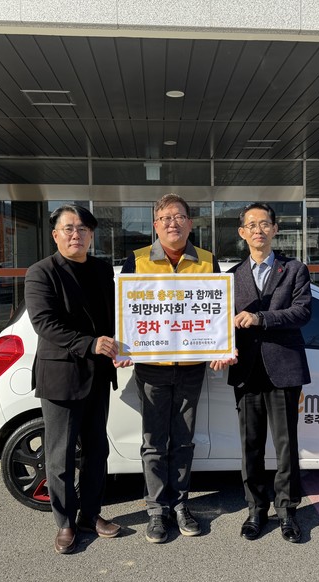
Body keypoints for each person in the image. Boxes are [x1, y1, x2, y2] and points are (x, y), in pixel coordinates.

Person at [24, 204, 123, 555]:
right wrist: (90, 344)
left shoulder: (101, 270)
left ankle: (90, 515)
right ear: (56, 235)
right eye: (69, 228)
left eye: (82, 228)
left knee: (97, 451)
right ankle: (65, 523)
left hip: (98, 375)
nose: (76, 234)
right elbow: (44, 322)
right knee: (61, 455)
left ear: (91, 235)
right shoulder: (41, 272)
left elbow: (115, 316)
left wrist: (124, 345)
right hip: (61, 376)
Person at [122, 193, 220, 544]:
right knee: (153, 442)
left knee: (183, 440)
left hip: (192, 366)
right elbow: (126, 311)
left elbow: (217, 312)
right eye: (165, 218)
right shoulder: (136, 260)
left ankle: (180, 505)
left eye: (179, 217)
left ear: (190, 224)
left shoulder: (207, 261)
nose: (172, 223)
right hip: (152, 367)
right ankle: (156, 511)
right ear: (155, 225)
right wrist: (123, 346)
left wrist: (221, 347)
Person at [212, 202, 312, 543]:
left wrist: (260, 318)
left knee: (286, 445)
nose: (258, 230)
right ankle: (255, 509)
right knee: (250, 444)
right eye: (251, 225)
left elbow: (302, 312)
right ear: (242, 233)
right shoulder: (230, 277)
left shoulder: (294, 269)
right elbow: (219, 324)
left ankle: (287, 510)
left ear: (275, 229)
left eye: (265, 223)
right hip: (246, 370)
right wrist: (219, 349)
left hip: (284, 368)